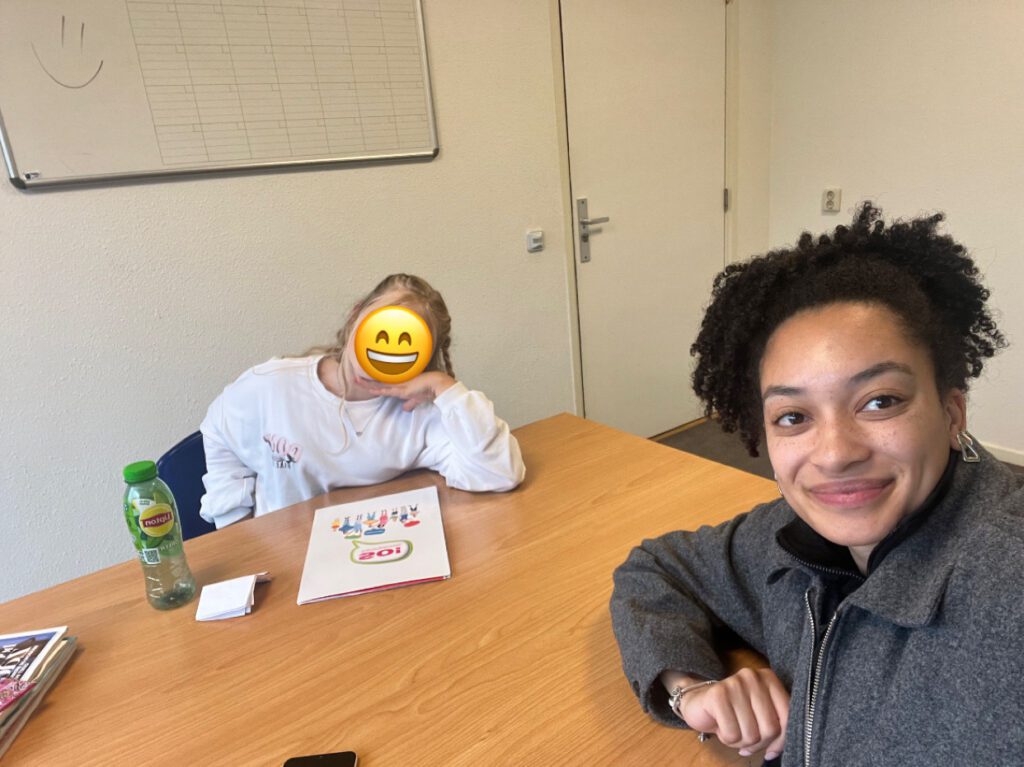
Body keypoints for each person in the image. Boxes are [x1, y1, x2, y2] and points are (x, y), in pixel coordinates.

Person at [609, 204, 1023, 766]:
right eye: (793, 416)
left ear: (953, 413)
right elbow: (656, 568)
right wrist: (691, 689)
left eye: (879, 401)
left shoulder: (1006, 589)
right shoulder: (785, 537)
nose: (835, 454)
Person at [199, 273, 525, 529]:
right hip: (283, 558)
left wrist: (446, 387)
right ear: (356, 315)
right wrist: (234, 520)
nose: (386, 348)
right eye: (380, 327)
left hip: (368, 550)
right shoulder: (272, 387)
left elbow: (498, 473)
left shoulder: (421, 414)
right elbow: (217, 430)